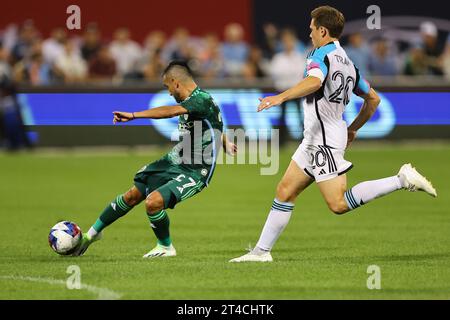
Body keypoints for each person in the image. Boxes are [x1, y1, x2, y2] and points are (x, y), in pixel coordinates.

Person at [230, 6, 437, 263]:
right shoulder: (348, 63)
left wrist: (280, 97)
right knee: (285, 190)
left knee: (338, 204)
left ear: (323, 31)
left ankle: (401, 179)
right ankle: (261, 252)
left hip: (324, 141)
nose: (310, 34)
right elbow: (373, 99)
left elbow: (315, 81)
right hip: (318, 137)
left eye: (312, 29)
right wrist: (353, 129)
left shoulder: (319, 54)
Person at [73, 61, 237, 258]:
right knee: (132, 195)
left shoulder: (199, 99)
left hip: (196, 170)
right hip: (176, 160)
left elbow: (170, 111)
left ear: (176, 83)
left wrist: (134, 115)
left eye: (167, 87)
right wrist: (225, 141)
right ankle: (90, 235)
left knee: (153, 203)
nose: (168, 93)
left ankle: (165, 247)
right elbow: (214, 120)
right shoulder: (201, 101)